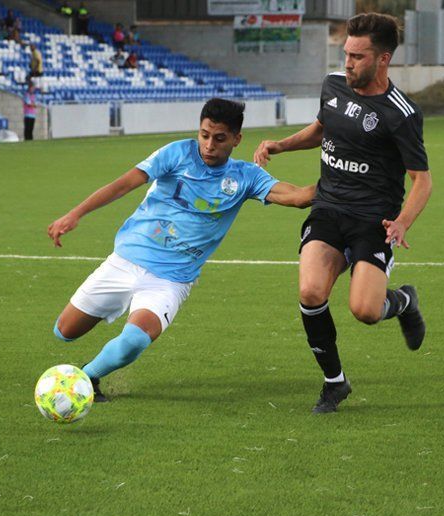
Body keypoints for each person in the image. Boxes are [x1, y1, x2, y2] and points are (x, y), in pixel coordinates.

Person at [47, 98, 315, 401]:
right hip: (125, 261)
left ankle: (84, 379)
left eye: (219, 138)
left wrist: (341, 181)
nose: (209, 144)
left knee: (135, 339)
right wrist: (75, 214)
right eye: (204, 135)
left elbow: (298, 196)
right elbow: (123, 184)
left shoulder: (245, 177)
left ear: (237, 139)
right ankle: (102, 325)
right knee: (64, 331)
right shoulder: (177, 153)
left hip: (171, 279)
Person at [253, 13, 433, 414]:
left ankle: (403, 302)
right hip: (329, 208)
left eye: (357, 56)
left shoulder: (400, 114)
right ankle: (334, 382)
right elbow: (321, 129)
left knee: (365, 312)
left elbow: (422, 180)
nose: (347, 62)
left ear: (383, 59)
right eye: (345, 53)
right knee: (310, 292)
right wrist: (281, 145)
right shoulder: (333, 85)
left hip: (373, 220)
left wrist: (402, 221)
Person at [22, 76, 37, 141]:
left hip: (33, 115)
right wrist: (32, 105)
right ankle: (26, 140)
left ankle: (30, 140)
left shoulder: (33, 95)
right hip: (27, 115)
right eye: (32, 88)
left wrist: (32, 105)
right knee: (27, 129)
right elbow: (29, 104)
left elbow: (34, 104)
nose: (33, 89)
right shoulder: (26, 95)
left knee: (31, 129)